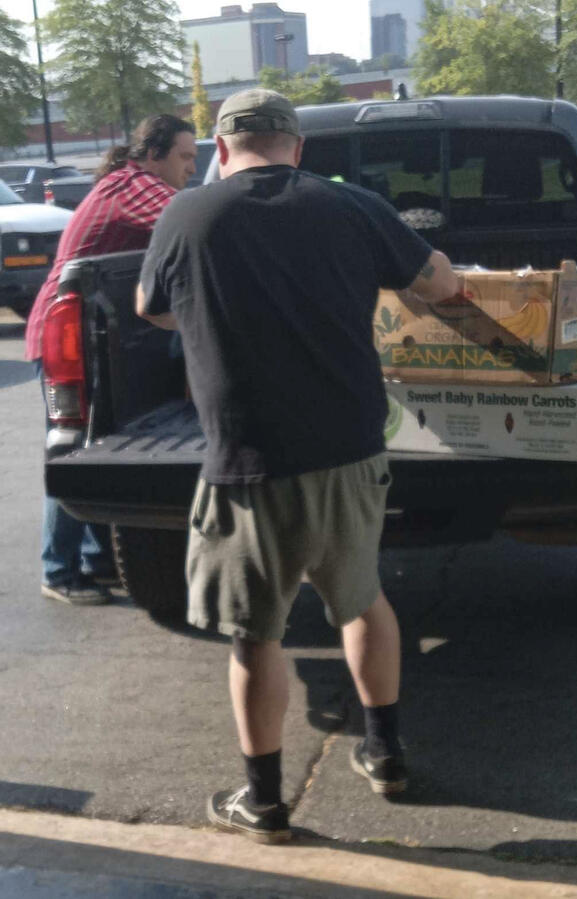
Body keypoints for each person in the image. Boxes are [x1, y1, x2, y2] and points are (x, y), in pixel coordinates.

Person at [136, 89, 458, 843]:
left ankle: (266, 803)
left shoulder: (189, 214)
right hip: (348, 447)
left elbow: (154, 307)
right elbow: (439, 282)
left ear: (220, 149)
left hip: (248, 461)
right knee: (362, 599)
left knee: (257, 634)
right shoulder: (351, 207)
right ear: (297, 147)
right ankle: (385, 755)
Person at [26, 114, 197, 606]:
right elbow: (191, 218)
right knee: (75, 447)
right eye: (184, 157)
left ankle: (96, 561)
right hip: (66, 338)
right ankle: (58, 571)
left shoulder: (128, 183)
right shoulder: (133, 184)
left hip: (86, 336)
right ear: (152, 155)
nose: (191, 167)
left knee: (95, 443)